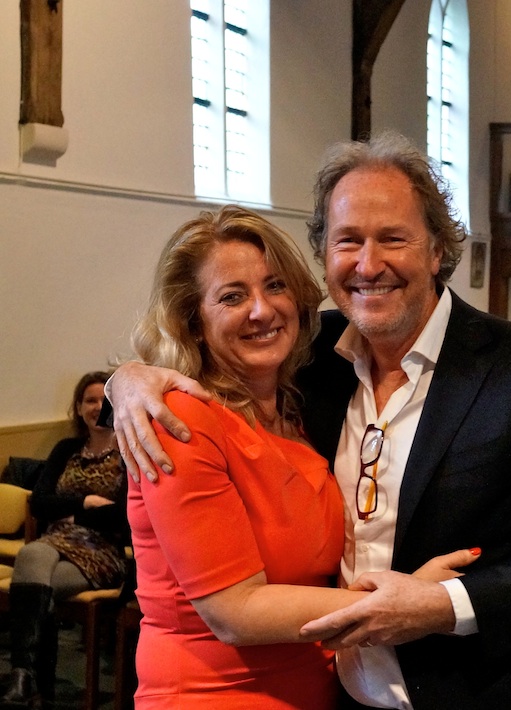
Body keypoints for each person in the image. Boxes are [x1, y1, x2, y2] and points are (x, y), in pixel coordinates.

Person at [108, 133, 511, 709]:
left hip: (488, 694)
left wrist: (445, 606)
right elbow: (205, 358)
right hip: (340, 695)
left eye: (392, 238)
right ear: (324, 254)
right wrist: (128, 381)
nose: (368, 264)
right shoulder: (312, 358)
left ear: (436, 250)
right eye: (348, 241)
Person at [125, 206, 476, 708]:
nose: (262, 310)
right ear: (193, 321)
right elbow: (235, 612)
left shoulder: (301, 404)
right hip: (216, 694)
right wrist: (405, 601)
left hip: (318, 687)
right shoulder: (182, 420)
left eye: (275, 286)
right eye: (232, 296)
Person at [1, 371, 128, 707]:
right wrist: (85, 503)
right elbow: (39, 503)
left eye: (105, 400)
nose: (98, 407)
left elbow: (126, 516)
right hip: (54, 546)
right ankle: (31, 683)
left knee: (31, 573)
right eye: (90, 400)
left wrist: (71, 514)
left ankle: (26, 680)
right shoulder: (66, 449)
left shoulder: (129, 452)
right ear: (79, 407)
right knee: (37, 578)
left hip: (102, 552)